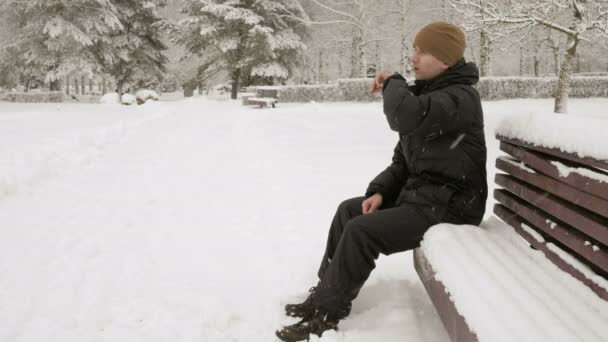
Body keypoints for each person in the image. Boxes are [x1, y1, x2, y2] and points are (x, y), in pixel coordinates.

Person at [276, 21, 488, 342]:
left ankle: (326, 314)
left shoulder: (460, 99)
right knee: (351, 211)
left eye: (423, 51)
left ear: (445, 60)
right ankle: (322, 294)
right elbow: (403, 162)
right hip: (425, 198)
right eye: (415, 49)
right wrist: (379, 191)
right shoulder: (431, 95)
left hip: (452, 206)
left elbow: (402, 115)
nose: (414, 57)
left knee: (362, 231)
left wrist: (395, 81)